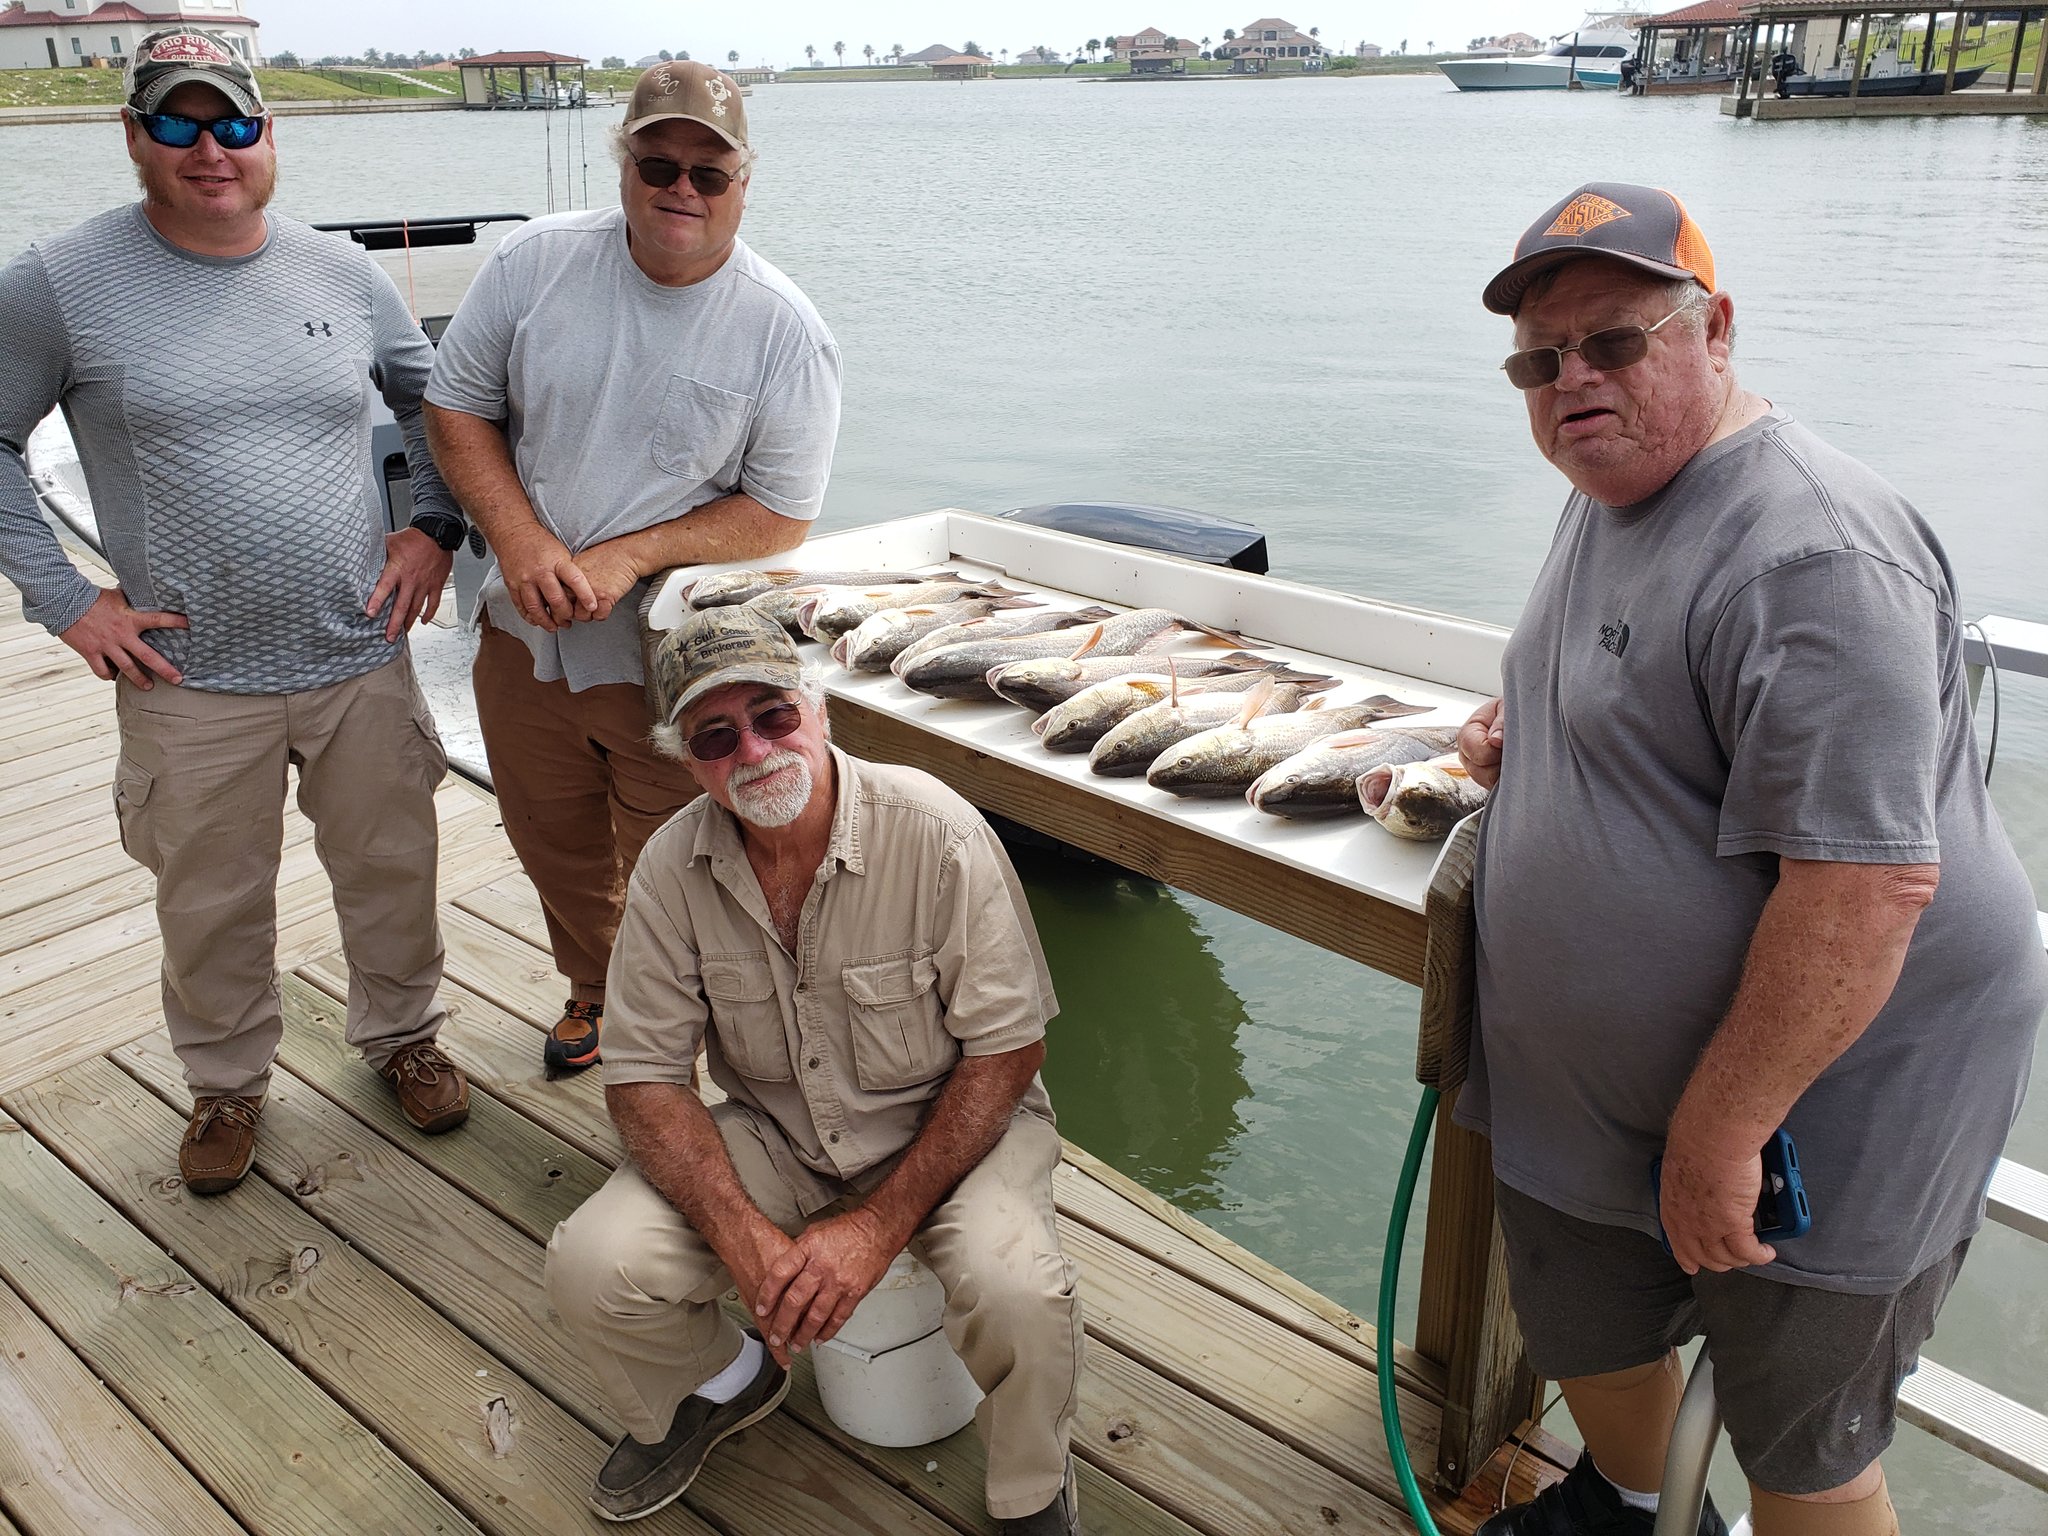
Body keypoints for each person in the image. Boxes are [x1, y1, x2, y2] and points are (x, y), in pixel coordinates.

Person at [1456, 183, 2044, 1536]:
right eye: (1541, 362)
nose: (1573, 384)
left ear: (1714, 330)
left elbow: (1866, 883)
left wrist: (1721, 1129)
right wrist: (1529, 729)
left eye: (1614, 343)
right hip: (1604, 1101)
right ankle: (1642, 1512)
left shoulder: (1816, 553)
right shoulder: (1608, 482)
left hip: (1824, 1102)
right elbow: (1652, 685)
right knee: (1592, 1333)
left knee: (1802, 1435)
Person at [0, 28, 474, 1194]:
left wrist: (435, 530)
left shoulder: (341, 272)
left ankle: (403, 1038)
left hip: (359, 652)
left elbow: (438, 411)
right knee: (210, 902)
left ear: (271, 134)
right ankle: (226, 1086)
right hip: (187, 680)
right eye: (176, 123)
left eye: (232, 123)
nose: (209, 148)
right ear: (135, 138)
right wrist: (64, 601)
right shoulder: (54, 283)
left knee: (391, 866)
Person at [544, 606, 1084, 1533]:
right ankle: (723, 1383)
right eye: (716, 735)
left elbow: (1008, 1050)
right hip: (780, 1136)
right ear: (688, 760)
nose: (753, 750)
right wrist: (747, 1240)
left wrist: (877, 1228)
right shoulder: (672, 869)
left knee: (1019, 1290)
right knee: (592, 1267)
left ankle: (1033, 1490)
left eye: (774, 715)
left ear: (820, 710)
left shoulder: (937, 830)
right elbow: (642, 1078)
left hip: (954, 1126)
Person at [425, 61, 841, 1078]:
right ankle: (595, 993)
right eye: (658, 162)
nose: (681, 190)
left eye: (710, 172)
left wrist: (631, 554)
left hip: (673, 658)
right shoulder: (532, 264)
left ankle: (700, 1031)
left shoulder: (785, 330)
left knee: (686, 853)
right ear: (625, 164)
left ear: (746, 179)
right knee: (547, 831)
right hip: (522, 637)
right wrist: (520, 543)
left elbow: (783, 510)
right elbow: (454, 406)